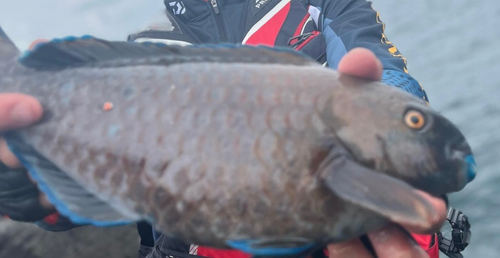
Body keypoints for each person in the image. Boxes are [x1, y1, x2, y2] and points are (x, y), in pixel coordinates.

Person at [0, 0, 463, 257]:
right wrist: (20, 180)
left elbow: (381, 69)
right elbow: (66, 211)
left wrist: (392, 121)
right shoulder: (140, 52)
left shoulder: (322, 4)